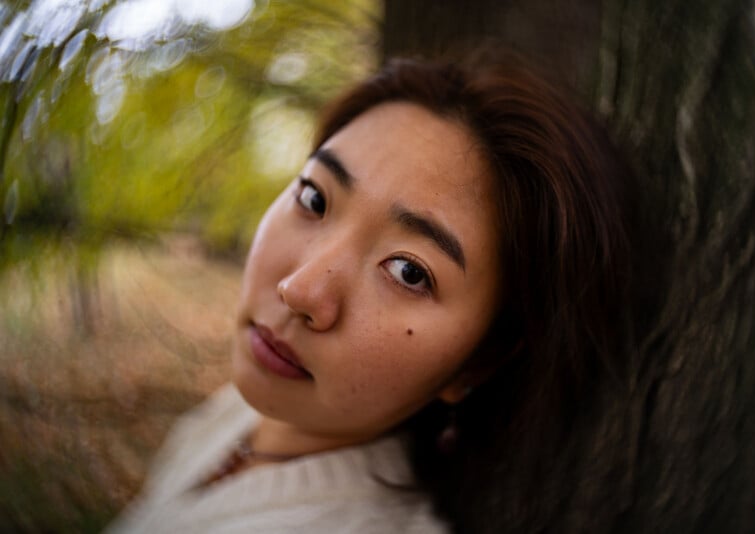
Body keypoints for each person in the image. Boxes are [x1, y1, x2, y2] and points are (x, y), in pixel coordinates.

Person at [107, 47, 632, 533]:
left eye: (409, 271)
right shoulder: (236, 415)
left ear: (481, 361)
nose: (300, 290)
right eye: (314, 199)